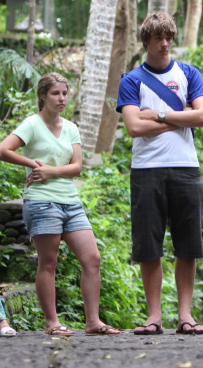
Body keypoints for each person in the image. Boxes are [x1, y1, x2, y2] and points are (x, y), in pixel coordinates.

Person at [0, 73, 120, 336]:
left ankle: (93, 322)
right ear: (43, 96)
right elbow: (3, 149)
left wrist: (52, 171)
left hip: (71, 202)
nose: (62, 98)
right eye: (55, 93)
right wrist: (33, 164)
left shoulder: (71, 127)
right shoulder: (32, 124)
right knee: (48, 262)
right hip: (42, 203)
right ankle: (52, 323)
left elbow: (76, 167)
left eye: (65, 93)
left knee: (92, 259)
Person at [116, 12, 203, 335]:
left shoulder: (188, 73)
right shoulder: (131, 81)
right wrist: (179, 116)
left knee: (188, 245)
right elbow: (133, 127)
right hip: (146, 171)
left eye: (169, 37)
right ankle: (153, 317)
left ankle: (186, 316)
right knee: (148, 245)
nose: (165, 43)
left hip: (187, 168)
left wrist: (157, 114)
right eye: (158, 38)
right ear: (146, 42)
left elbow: (202, 117)